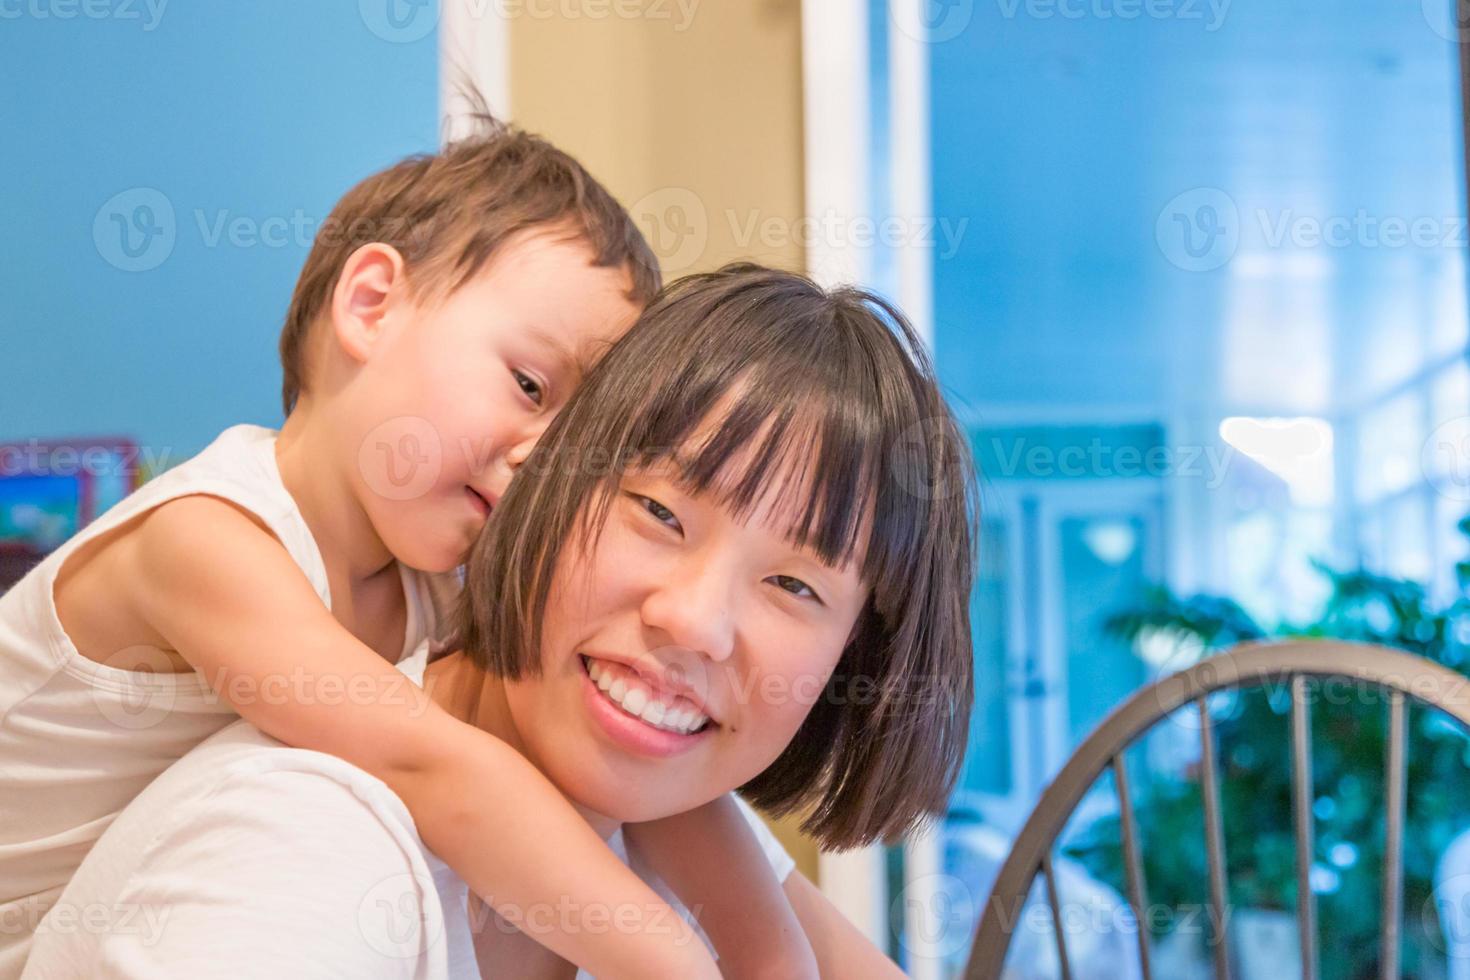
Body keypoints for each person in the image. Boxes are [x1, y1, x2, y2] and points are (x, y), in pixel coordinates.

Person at [0, 117, 815, 979]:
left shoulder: (433, 577)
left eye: (579, 437)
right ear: (371, 304)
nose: (547, 458)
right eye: (530, 385)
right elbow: (433, 767)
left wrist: (776, 958)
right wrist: (674, 963)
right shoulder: (205, 540)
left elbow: (648, 780)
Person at [23, 264, 980, 978]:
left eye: (796, 586)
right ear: (541, 497)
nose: (693, 621)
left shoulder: (651, 804)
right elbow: (433, 767)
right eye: (657, 512)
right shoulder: (308, 840)